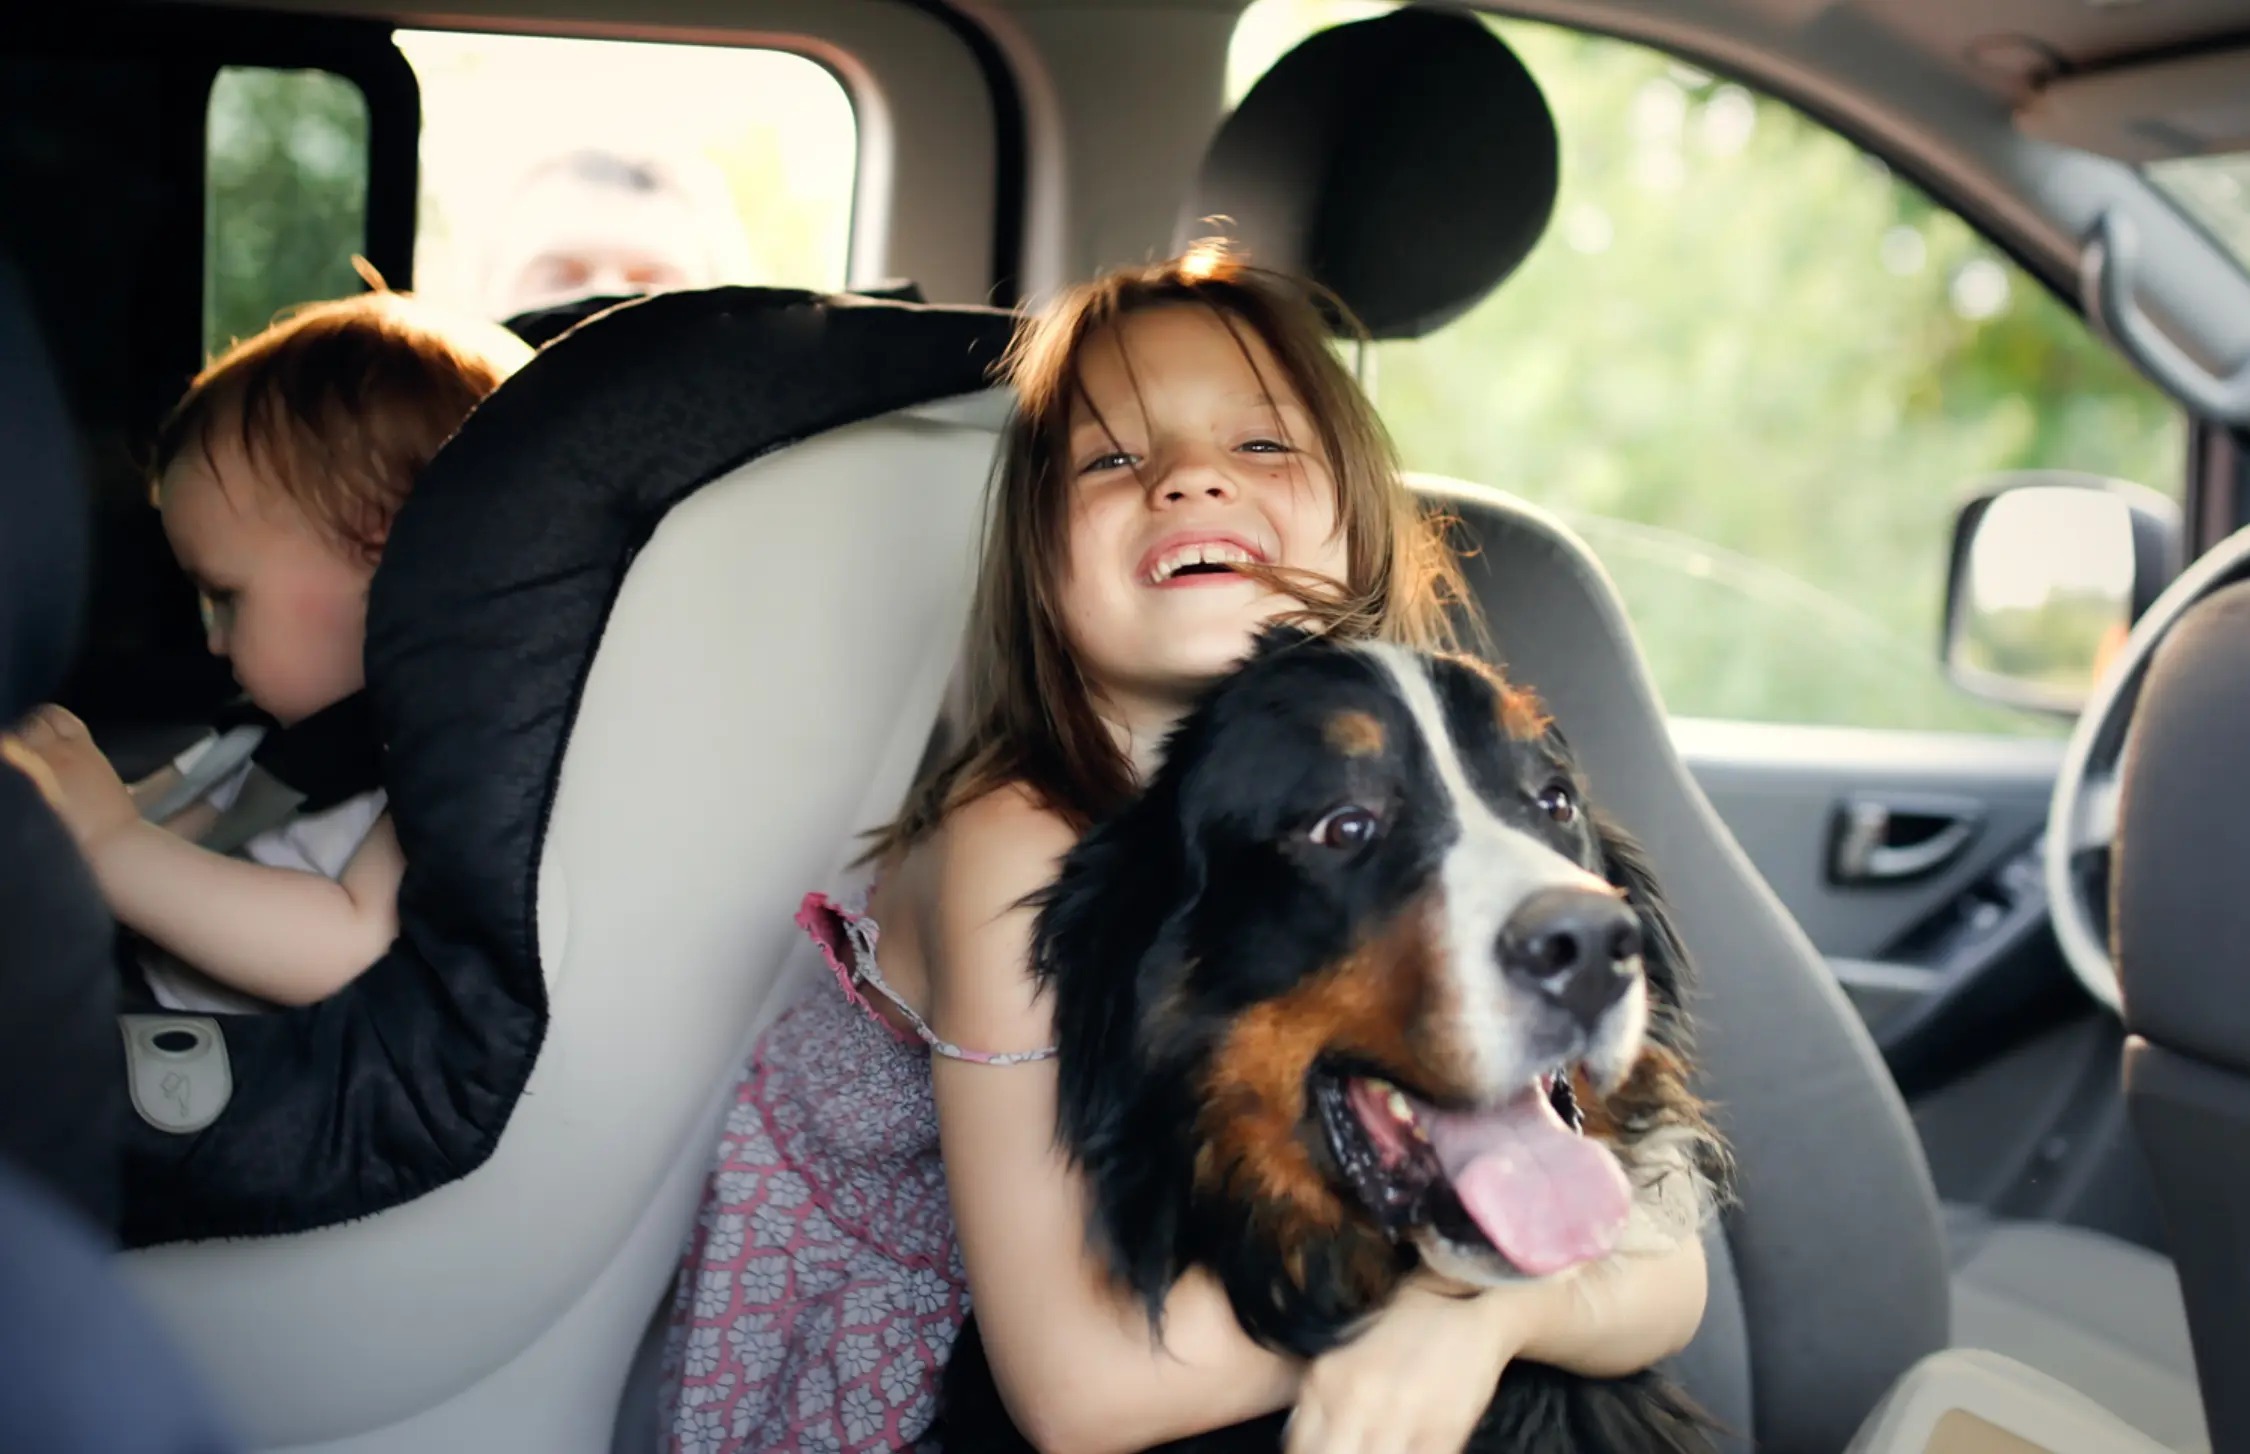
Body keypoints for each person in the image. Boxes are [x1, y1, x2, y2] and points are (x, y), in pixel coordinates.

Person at [661, 251, 1712, 1454]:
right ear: (1036, 566)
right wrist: (1488, 1299)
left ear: (1360, 521)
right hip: (952, 1369)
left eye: (1262, 445)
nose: (1190, 478)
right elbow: (1082, 1390)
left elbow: (1666, 1265)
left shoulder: (1450, 764)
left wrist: (1472, 1323)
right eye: (1114, 459)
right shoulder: (1016, 840)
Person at [10, 287, 532, 1013]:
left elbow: (353, 948)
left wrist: (110, 845)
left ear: (396, 569)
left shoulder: (440, 771)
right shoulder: (271, 741)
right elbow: (163, 824)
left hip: (268, 1096)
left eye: (227, 597)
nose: (214, 638)